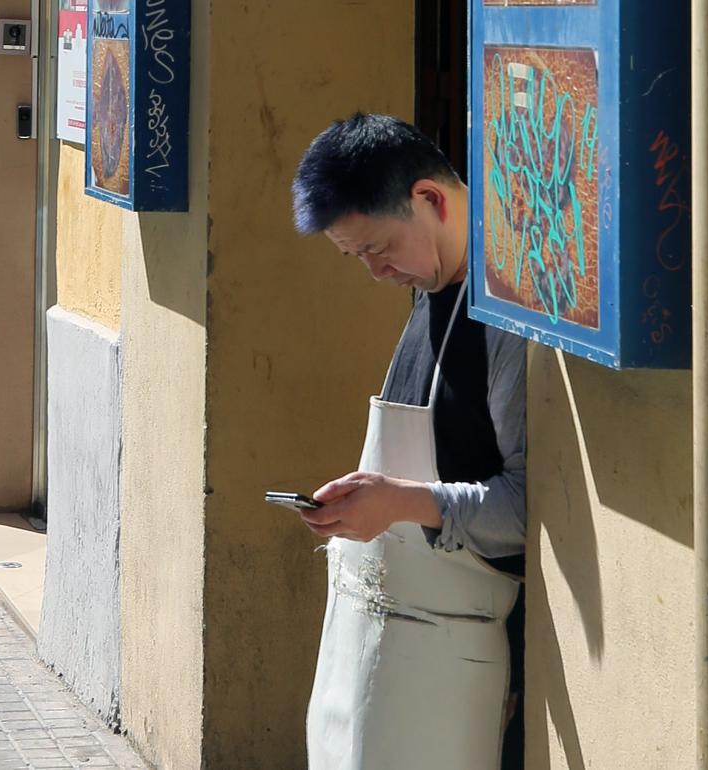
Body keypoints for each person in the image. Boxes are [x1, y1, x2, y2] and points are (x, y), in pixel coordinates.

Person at [290, 113, 527, 769]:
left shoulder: (505, 316)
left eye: (377, 247)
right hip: (378, 644)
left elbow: (531, 508)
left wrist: (399, 503)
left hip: (458, 666)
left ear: (429, 199)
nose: (375, 272)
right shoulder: (428, 290)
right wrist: (365, 504)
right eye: (355, 257)